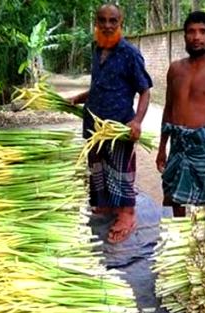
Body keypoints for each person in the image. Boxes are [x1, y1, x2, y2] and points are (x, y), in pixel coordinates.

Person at [71, 3, 152, 243]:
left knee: (120, 170)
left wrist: (137, 121)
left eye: (112, 21)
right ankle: (104, 205)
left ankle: (127, 214)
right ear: (96, 22)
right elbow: (100, 85)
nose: (107, 25)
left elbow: (145, 91)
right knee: (97, 167)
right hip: (93, 125)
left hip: (118, 127)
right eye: (102, 20)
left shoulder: (129, 53)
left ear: (120, 23)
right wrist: (80, 98)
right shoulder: (97, 49)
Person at [156, 11, 205, 217]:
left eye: (202, 32)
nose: (196, 37)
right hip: (177, 142)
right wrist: (162, 147)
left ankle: (201, 244)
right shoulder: (175, 69)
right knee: (171, 196)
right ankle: (177, 237)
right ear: (184, 36)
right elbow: (168, 109)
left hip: (201, 145)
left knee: (202, 203)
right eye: (191, 31)